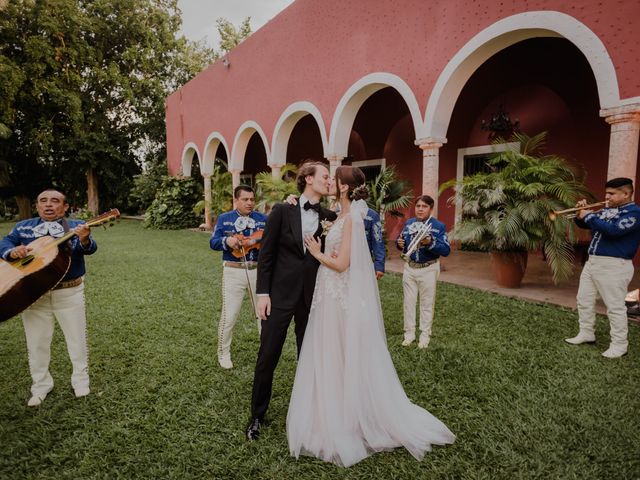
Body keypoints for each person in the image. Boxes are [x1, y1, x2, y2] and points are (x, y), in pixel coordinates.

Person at [287, 166, 455, 467]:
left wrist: (316, 252)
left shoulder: (352, 218)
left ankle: (349, 415)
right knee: (333, 352)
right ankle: (334, 406)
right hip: (329, 296)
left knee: (342, 350)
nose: (330, 181)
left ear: (344, 187)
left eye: (334, 179)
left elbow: (342, 264)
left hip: (337, 295)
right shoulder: (338, 214)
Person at [246, 160, 337, 441]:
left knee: (308, 357)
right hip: (279, 297)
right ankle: (256, 416)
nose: (329, 181)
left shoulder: (330, 217)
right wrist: (263, 294)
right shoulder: (282, 211)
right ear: (308, 179)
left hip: (313, 299)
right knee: (267, 356)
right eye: (325, 176)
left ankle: (309, 415)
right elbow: (267, 256)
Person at [0, 189, 97, 406]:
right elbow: (4, 244)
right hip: (33, 294)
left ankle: (80, 381)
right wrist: (12, 252)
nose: (48, 205)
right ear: (37, 206)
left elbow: (90, 248)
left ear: (65, 207)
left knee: (77, 340)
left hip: (69, 292)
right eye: (43, 201)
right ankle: (41, 385)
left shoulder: (76, 225)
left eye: (55, 201)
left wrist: (84, 239)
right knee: (36, 343)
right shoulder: (22, 227)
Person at [565, 177, 640, 358]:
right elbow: (586, 224)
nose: (607, 196)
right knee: (584, 299)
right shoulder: (608, 209)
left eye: (612, 194)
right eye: (607, 192)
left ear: (626, 193)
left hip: (614, 265)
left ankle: (620, 345)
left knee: (615, 307)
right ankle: (586, 333)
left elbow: (614, 230)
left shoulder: (634, 213)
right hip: (593, 262)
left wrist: (589, 215)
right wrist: (579, 213)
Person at [210, 185, 266, 369]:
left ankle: (265, 352)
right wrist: (227, 241)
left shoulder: (263, 219)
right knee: (230, 315)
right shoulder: (225, 219)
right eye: (245, 199)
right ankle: (223, 353)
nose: (250, 203)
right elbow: (213, 242)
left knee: (263, 314)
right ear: (236, 200)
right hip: (233, 271)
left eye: (252, 199)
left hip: (258, 271)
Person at [396, 195, 450, 349]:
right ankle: (409, 334)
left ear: (431, 209)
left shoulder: (438, 226)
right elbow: (403, 241)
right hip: (410, 267)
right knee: (408, 303)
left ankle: (425, 335)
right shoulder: (409, 223)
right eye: (418, 206)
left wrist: (430, 242)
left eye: (424, 206)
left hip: (428, 268)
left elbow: (446, 250)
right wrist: (399, 244)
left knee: (426, 304)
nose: (420, 209)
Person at [365, 208, 385, 279]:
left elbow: (378, 240)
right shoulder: (338, 212)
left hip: (363, 263)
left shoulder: (372, 215)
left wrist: (379, 265)